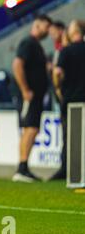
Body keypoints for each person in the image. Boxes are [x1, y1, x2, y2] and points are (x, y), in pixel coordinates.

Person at [12, 15, 52, 183]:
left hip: (35, 95)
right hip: (30, 95)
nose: (48, 31)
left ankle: (24, 167)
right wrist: (25, 89)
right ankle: (22, 168)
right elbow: (17, 65)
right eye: (46, 26)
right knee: (30, 128)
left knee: (31, 128)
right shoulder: (28, 43)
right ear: (38, 25)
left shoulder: (35, 45)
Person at [51, 20, 85, 181]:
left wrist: (58, 89)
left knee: (70, 137)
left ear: (74, 32)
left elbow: (57, 73)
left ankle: (70, 171)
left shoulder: (66, 51)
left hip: (71, 100)